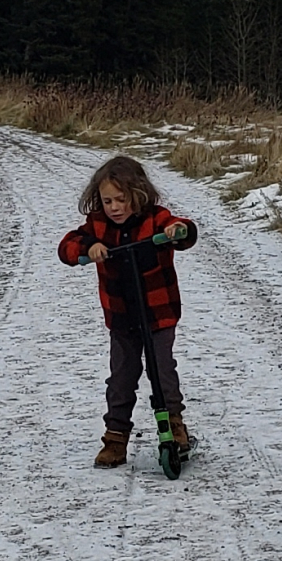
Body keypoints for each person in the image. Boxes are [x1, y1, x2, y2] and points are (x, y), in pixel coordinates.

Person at [57, 154, 198, 466]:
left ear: (139, 195)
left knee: (162, 371)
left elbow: (183, 229)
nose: (115, 208)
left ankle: (174, 427)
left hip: (158, 315)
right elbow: (66, 247)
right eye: (108, 201)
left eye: (121, 199)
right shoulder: (97, 226)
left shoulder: (155, 219)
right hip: (122, 318)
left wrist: (177, 232)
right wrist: (87, 248)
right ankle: (115, 438)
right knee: (121, 378)